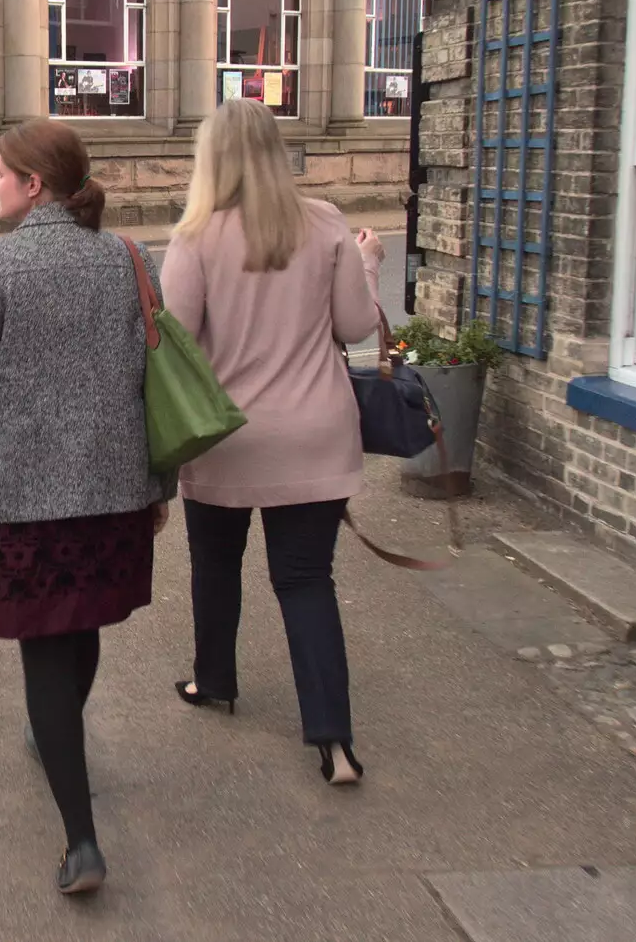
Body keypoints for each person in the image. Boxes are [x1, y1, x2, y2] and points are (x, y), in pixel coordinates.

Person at [0, 118, 171, 896]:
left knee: (44, 647)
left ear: (35, 185)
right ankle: (55, 734)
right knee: (85, 625)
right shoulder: (128, 258)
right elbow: (149, 381)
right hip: (114, 491)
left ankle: (83, 841)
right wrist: (156, 486)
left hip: (32, 501)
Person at [158, 98, 384, 787]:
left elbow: (176, 342)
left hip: (225, 435)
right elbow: (355, 327)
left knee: (215, 565)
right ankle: (335, 743)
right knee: (307, 580)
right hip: (315, 434)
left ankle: (214, 680)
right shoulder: (325, 224)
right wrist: (369, 267)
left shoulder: (194, 237)